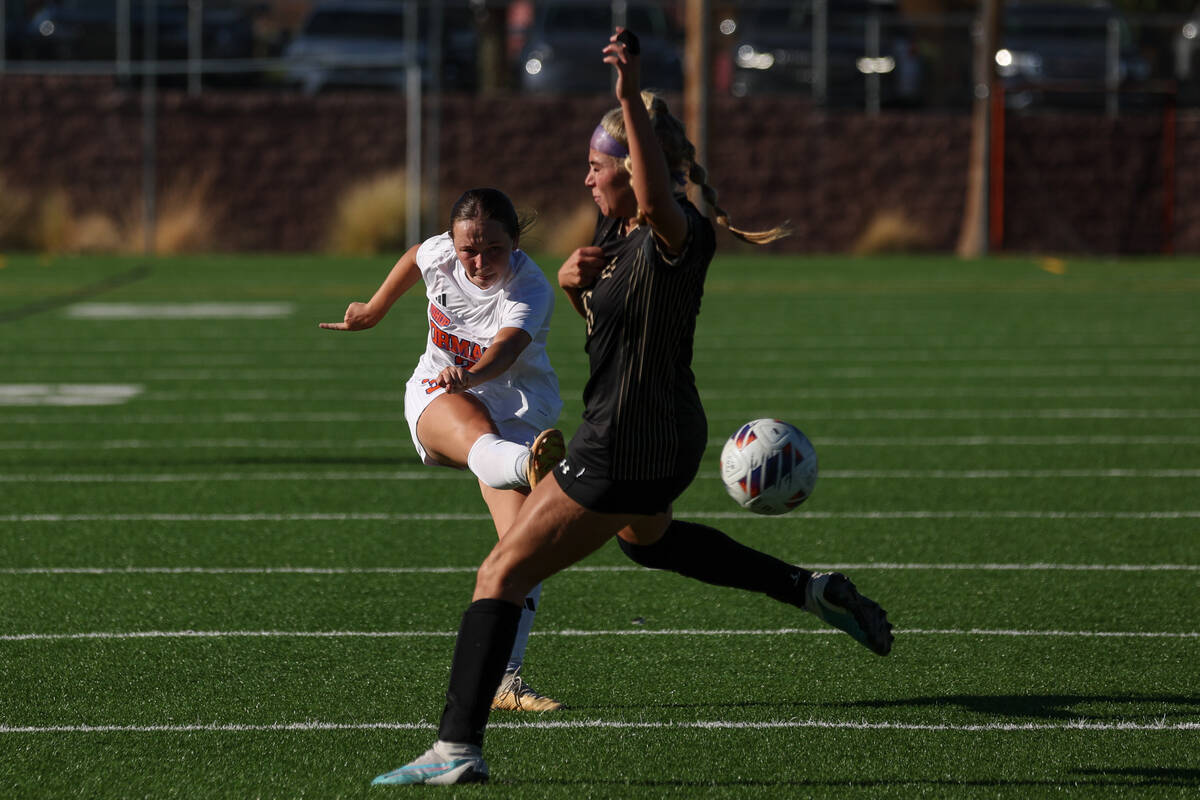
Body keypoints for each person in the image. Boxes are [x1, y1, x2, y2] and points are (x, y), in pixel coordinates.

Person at [371, 31, 893, 786]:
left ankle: (455, 748)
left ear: (634, 167)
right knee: (647, 541)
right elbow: (612, 322)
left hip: (623, 442)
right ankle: (809, 590)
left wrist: (628, 98)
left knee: (500, 574)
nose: (585, 178)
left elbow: (655, 198)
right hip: (667, 438)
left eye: (596, 165)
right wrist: (578, 283)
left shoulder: (676, 230)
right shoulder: (615, 236)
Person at [320, 187, 567, 712]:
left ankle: (505, 680)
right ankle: (526, 466)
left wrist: (473, 372)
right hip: (439, 394)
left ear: (515, 242)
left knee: (524, 552)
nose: (478, 261)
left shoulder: (530, 287)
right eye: (468, 250)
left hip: (518, 409)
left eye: (493, 250)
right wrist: (374, 309)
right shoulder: (440, 252)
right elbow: (415, 257)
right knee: (475, 426)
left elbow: (504, 351)